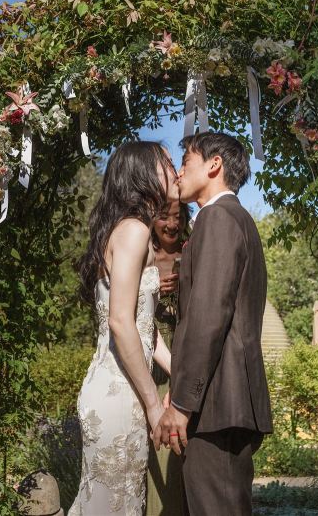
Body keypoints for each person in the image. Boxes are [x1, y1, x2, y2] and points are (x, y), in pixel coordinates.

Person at [153, 132, 273, 516]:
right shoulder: (232, 219)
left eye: (185, 162)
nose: (178, 174)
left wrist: (184, 402)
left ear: (214, 165)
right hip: (225, 402)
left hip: (217, 405)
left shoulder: (218, 219)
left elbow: (208, 319)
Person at [69, 141, 179, 515]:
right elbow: (120, 322)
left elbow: (145, 329)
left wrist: (183, 372)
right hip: (118, 393)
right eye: (166, 162)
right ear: (143, 174)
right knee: (109, 504)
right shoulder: (132, 231)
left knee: (116, 503)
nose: (175, 168)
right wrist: (153, 404)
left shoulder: (133, 232)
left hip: (123, 388)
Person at [146, 200, 189, 516]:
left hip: (187, 373)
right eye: (164, 217)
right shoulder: (142, 257)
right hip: (150, 377)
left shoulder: (191, 253)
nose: (172, 224)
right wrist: (152, 292)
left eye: (178, 216)